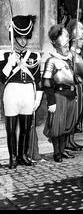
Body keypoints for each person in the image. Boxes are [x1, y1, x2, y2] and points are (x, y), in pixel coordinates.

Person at [0, 15, 43, 169]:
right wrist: (9, 64)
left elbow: (38, 79)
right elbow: (2, 78)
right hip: (11, 93)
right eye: (20, 37)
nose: (24, 41)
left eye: (26, 38)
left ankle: (22, 156)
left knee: (25, 128)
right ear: (14, 37)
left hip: (27, 93)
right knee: (11, 129)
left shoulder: (34, 56)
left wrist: (38, 98)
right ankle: (12, 158)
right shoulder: (4, 55)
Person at [42, 24, 76, 162]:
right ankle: (56, 152)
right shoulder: (51, 61)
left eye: (68, 45)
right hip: (59, 96)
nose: (67, 47)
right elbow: (46, 83)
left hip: (71, 95)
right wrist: (51, 102)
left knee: (67, 125)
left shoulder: (70, 59)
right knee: (57, 126)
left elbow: (73, 77)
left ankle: (63, 150)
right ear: (57, 46)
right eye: (64, 46)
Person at [66, 19, 83, 151]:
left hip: (81, 87)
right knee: (72, 115)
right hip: (75, 87)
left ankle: (71, 140)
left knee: (77, 115)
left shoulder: (79, 54)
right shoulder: (70, 54)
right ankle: (67, 141)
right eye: (80, 38)